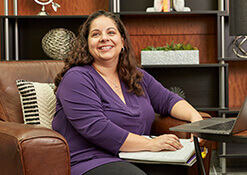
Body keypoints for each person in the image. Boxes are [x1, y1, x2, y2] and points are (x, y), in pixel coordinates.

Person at [52, 10, 204, 175]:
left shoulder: (135, 75)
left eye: (111, 32)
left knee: (181, 170)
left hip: (136, 157)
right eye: (96, 34)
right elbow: (97, 128)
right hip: (90, 160)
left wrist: (196, 119)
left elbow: (168, 100)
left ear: (122, 41)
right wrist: (150, 144)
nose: (104, 38)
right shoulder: (76, 78)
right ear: (87, 44)